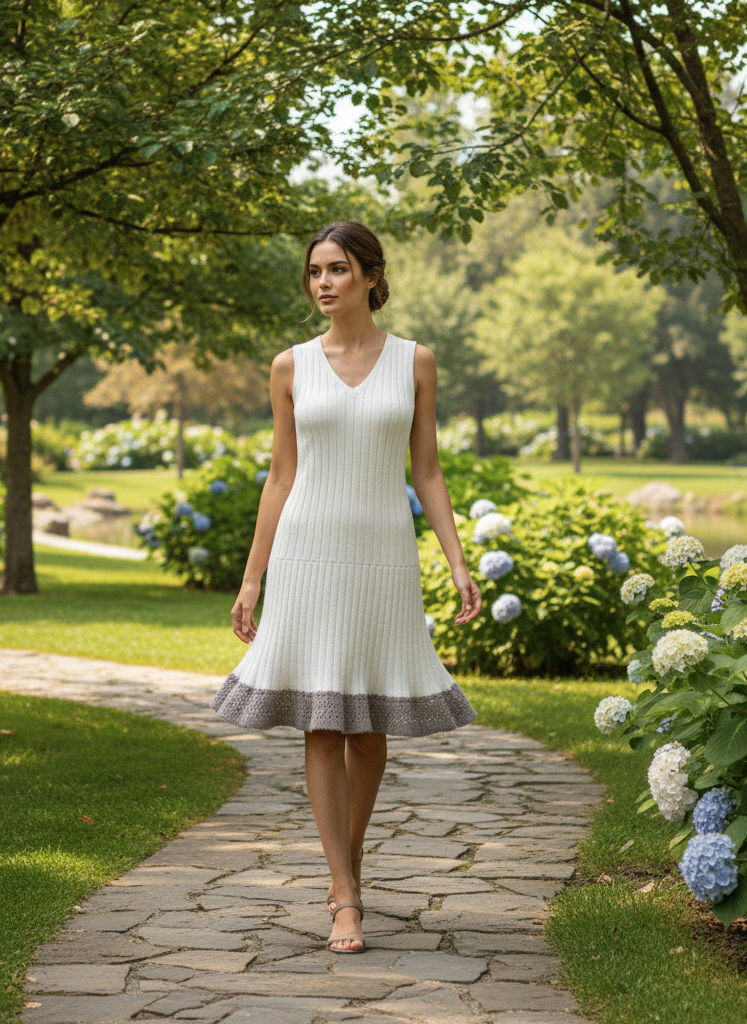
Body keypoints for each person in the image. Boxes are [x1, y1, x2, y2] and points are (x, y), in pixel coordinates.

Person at [210, 221, 481, 954]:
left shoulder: (415, 361)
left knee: (370, 726)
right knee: (324, 723)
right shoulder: (291, 366)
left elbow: (428, 471)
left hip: (384, 556)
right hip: (309, 555)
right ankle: (347, 896)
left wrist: (457, 561)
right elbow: (280, 476)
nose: (322, 283)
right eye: (314, 272)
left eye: (336, 269)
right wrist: (252, 578)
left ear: (370, 276)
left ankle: (346, 864)